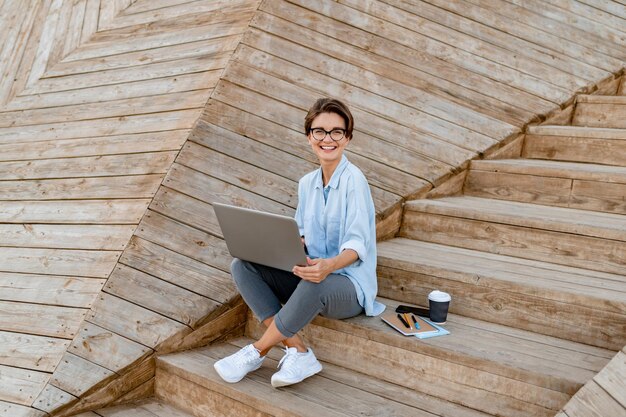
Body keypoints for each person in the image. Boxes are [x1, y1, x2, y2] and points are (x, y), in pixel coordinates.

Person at [213, 98, 385, 388]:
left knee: (316, 281)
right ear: (309, 137)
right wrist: (284, 249)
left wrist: (328, 265)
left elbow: (358, 246)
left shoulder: (355, 181)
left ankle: (258, 350)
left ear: (348, 138)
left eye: (336, 132)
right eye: (319, 131)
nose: (327, 139)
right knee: (243, 267)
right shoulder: (307, 183)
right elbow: (301, 233)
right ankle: (299, 351)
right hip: (311, 275)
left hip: (347, 286)